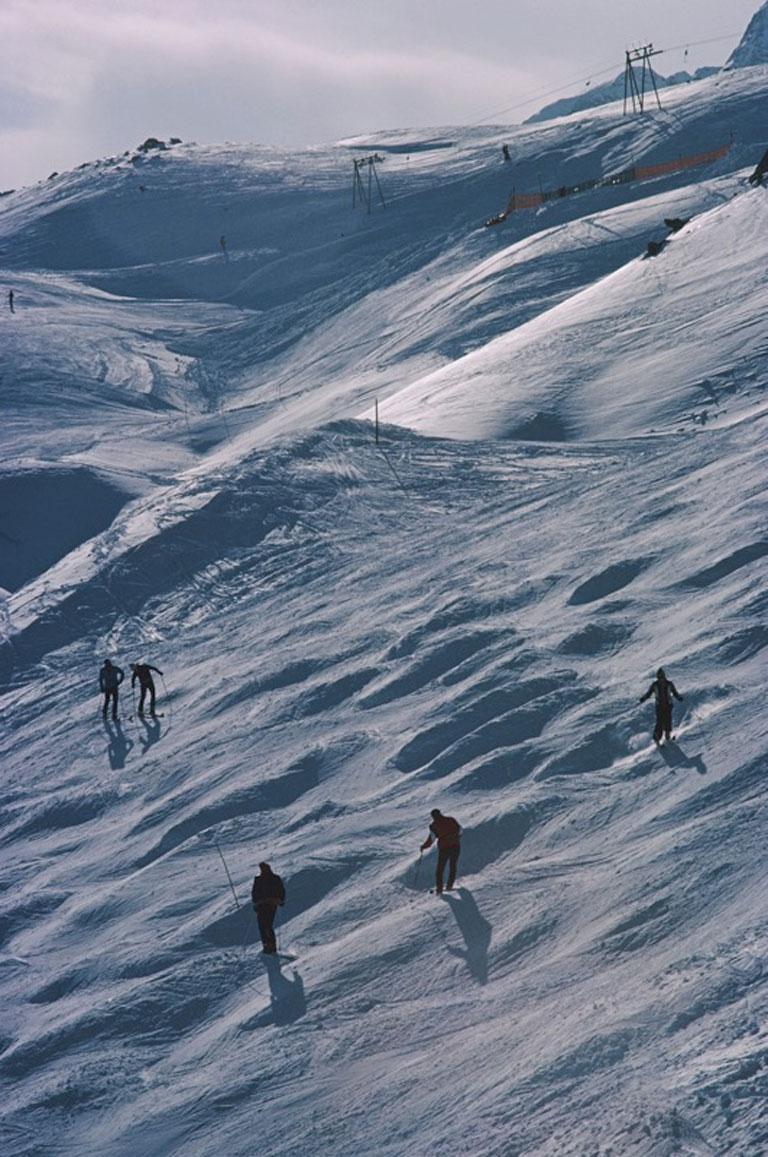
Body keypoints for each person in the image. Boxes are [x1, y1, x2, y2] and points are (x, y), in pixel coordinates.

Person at [421, 808, 461, 894]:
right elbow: (460, 830)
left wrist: (423, 847)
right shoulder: (451, 819)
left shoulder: (434, 825)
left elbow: (431, 839)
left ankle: (439, 889)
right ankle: (449, 886)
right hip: (455, 846)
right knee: (453, 866)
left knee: (440, 870)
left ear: (433, 816)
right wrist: (456, 837)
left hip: (444, 849)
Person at [640, 667, 684, 745]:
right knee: (659, 722)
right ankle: (657, 738)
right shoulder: (655, 685)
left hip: (668, 705)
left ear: (664, 676)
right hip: (659, 706)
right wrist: (643, 698)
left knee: (668, 720)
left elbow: (674, 692)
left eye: (662, 677)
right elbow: (649, 693)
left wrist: (679, 698)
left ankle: (667, 736)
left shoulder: (669, 684)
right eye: (659, 677)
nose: (661, 679)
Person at [251, 862, 285, 954]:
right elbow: (254, 893)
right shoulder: (260, 879)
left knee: (267, 925)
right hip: (263, 905)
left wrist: (279, 900)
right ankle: (267, 945)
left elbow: (281, 891)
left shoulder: (274, 879)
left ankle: (271, 946)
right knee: (263, 926)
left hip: (270, 905)